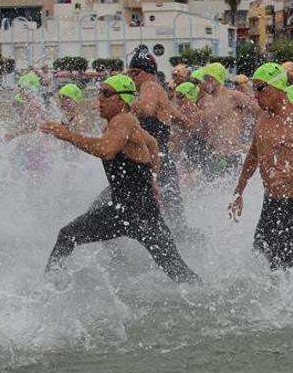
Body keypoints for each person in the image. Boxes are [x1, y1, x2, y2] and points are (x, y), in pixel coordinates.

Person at [39, 74, 200, 283]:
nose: (99, 99)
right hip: (122, 211)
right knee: (67, 235)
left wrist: (67, 135)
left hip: (141, 215)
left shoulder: (123, 121)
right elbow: (152, 144)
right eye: (99, 93)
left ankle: (48, 285)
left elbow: (106, 150)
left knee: (178, 271)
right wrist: (153, 180)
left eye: (106, 94)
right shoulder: (126, 121)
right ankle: (51, 284)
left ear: (123, 100)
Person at [229, 63, 293, 270]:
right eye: (253, 89)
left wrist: (290, 176)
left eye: (260, 88)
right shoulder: (263, 118)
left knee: (280, 266)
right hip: (271, 202)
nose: (256, 96)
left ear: (278, 88)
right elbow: (253, 155)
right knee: (261, 255)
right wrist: (238, 191)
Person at [126, 48, 189, 232]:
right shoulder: (161, 94)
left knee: (108, 210)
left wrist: (122, 103)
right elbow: (185, 122)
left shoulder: (150, 86)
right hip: (163, 165)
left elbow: (146, 109)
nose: (132, 79)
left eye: (134, 73)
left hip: (153, 167)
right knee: (176, 224)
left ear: (147, 72)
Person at [197, 62, 259, 178]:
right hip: (213, 155)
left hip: (232, 154)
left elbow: (258, 112)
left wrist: (253, 140)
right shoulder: (204, 102)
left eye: (207, 79)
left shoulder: (235, 96)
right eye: (204, 80)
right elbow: (203, 131)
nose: (204, 84)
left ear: (216, 79)